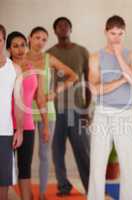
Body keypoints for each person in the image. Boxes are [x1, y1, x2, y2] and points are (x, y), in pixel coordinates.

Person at [88, 15, 132, 200]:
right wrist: (121, 80)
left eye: (120, 34)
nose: (116, 38)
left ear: (124, 33)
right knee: (97, 164)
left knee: (128, 165)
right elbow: (95, 89)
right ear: (106, 32)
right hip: (102, 113)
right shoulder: (95, 56)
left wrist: (118, 55)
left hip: (126, 114)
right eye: (112, 33)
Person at [25, 26, 78, 199]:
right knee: (24, 157)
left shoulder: (49, 59)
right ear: (29, 38)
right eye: (37, 38)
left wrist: (56, 91)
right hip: (25, 113)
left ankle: (41, 194)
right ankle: (25, 193)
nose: (40, 42)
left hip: (48, 113)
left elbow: (73, 76)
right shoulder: (20, 58)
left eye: (44, 39)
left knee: (44, 155)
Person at [47, 17, 90, 196]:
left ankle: (90, 187)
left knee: (83, 151)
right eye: (59, 26)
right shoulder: (49, 53)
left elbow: (88, 81)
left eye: (66, 25)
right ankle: (63, 186)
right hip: (56, 109)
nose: (63, 28)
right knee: (58, 152)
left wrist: (87, 109)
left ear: (70, 29)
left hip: (78, 109)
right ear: (55, 31)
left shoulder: (82, 52)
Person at [6, 31, 49, 200]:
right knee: (4, 172)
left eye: (22, 45)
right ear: (8, 48)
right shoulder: (5, 69)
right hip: (6, 126)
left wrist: (45, 125)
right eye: (15, 46)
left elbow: (40, 99)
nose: (19, 49)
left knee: (25, 170)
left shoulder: (35, 69)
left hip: (28, 126)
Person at [0, 24, 23, 200]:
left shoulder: (15, 69)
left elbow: (18, 104)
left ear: (3, 41)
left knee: (3, 184)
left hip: (5, 132)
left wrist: (20, 130)